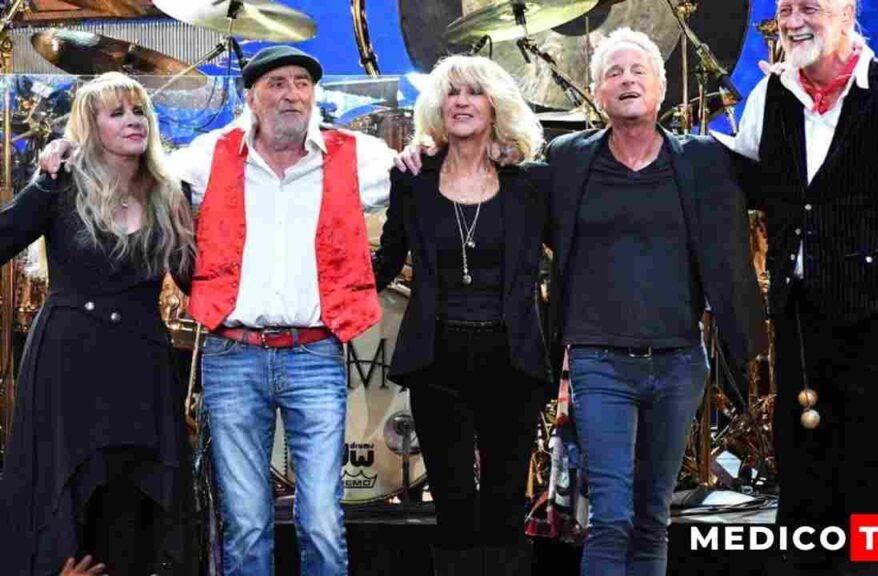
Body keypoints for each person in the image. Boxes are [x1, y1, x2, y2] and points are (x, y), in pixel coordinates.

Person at [398, 28, 765, 576]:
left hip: (679, 362)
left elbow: (776, 179)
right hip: (598, 362)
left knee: (652, 518)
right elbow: (490, 180)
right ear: (596, 93)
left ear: (662, 87)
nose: (627, 80)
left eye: (638, 71)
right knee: (611, 517)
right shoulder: (568, 161)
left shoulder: (703, 159)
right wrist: (428, 152)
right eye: (614, 73)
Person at [38, 46, 394, 576]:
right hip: (234, 355)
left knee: (322, 519)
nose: (291, 94)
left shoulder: (358, 154)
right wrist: (68, 146)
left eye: (301, 83)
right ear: (250, 98)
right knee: (245, 523)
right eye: (276, 84)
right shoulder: (210, 153)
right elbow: (139, 166)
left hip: (315, 352)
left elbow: (420, 172)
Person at [719, 0, 878, 572]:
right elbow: (736, 177)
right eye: (785, 9)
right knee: (804, 486)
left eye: (808, 7)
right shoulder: (770, 96)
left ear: (846, 12)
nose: (792, 22)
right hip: (798, 324)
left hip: (875, 324)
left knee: (873, 489)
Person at [0, 72, 195, 575]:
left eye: (139, 111)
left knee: (135, 495)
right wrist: (42, 181)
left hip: (142, 363)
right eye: (117, 113)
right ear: (91, 126)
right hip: (69, 361)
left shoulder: (171, 193)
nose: (133, 121)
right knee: (69, 486)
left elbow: (199, 279)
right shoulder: (61, 185)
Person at [374, 55, 549, 576]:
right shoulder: (413, 178)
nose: (461, 102)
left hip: (510, 359)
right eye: (451, 93)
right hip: (438, 359)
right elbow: (387, 260)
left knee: (504, 504)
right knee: (451, 504)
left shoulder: (528, 183)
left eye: (474, 92)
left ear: (496, 106)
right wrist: (323, 291)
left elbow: (573, 252)